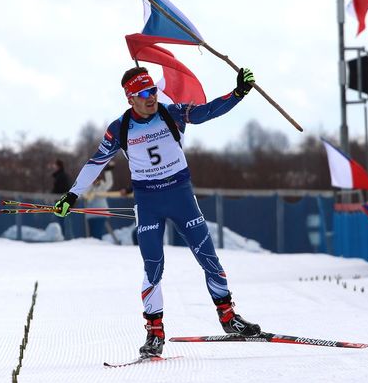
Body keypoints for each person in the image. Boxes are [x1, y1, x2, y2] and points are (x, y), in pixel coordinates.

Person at [54, 66, 261, 357]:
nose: (151, 97)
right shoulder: (120, 128)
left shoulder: (170, 113)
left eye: (152, 90)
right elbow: (96, 162)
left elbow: (206, 112)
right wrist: (72, 194)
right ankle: (154, 333)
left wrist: (238, 93)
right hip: (148, 202)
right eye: (143, 93)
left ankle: (228, 317)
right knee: (153, 266)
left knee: (208, 257)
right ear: (130, 99)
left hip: (180, 195)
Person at [83, 161, 114, 239]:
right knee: (93, 236)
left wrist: (108, 171)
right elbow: (85, 195)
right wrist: (93, 187)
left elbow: (109, 183)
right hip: (91, 215)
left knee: (97, 235)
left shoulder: (102, 185)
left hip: (101, 213)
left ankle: (98, 249)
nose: (96, 180)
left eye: (97, 177)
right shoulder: (88, 186)